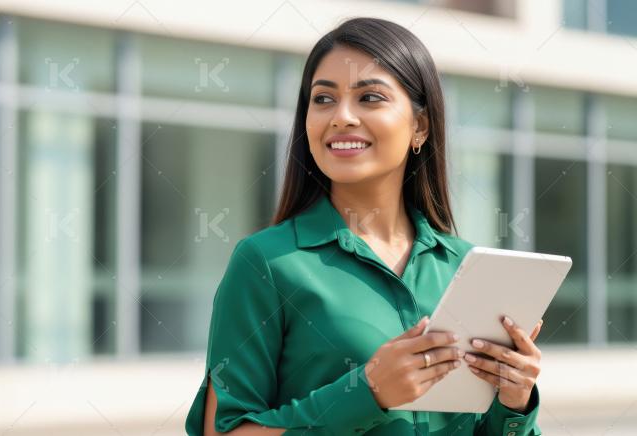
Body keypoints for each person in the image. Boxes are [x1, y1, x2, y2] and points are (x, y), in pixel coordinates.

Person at [184, 17, 544, 435]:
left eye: (369, 97)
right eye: (323, 99)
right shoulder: (267, 263)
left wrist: (515, 401)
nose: (341, 117)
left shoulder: (468, 267)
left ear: (420, 127)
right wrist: (367, 392)